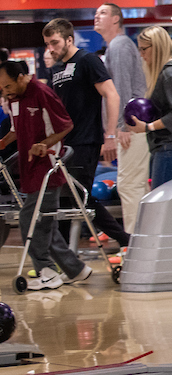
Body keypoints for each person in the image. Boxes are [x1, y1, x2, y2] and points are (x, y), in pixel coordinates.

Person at [0, 59, 90, 290]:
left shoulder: (42, 93)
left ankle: (47, 272)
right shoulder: (16, 99)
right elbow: (14, 129)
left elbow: (66, 125)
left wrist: (43, 144)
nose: (5, 92)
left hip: (48, 167)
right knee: (43, 223)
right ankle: (76, 270)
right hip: (30, 168)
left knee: (31, 221)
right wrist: (2, 143)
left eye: (8, 86)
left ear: (21, 77)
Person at [42, 18, 130, 251]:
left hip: (86, 141)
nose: (51, 48)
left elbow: (112, 95)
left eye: (55, 42)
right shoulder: (58, 68)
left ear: (69, 39)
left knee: (78, 196)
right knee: (67, 199)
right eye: (48, 44)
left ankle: (124, 239)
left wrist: (110, 134)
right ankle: (62, 259)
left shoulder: (87, 60)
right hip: (64, 143)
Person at [94, 2, 149, 232]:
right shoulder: (115, 46)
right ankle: (143, 239)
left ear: (116, 19)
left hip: (132, 127)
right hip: (131, 126)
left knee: (129, 186)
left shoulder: (119, 45)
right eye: (96, 13)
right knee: (136, 186)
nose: (96, 16)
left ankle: (133, 244)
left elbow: (122, 88)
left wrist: (123, 126)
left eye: (103, 13)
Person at [125, 27, 172, 189]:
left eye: (144, 49)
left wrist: (148, 126)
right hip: (169, 145)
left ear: (157, 47)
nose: (141, 55)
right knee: (164, 202)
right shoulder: (167, 72)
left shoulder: (171, 74)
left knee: (163, 204)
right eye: (139, 49)